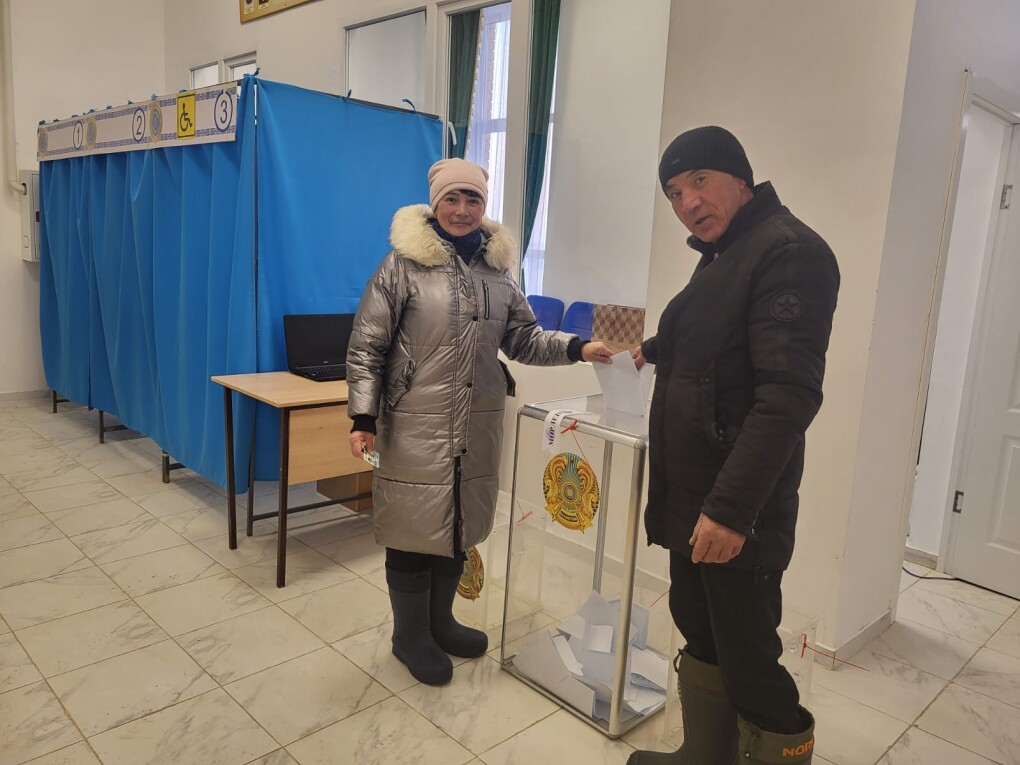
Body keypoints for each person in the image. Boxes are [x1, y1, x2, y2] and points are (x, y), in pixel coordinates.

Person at [346, 158, 613, 687]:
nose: (463, 209)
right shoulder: (401, 266)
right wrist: (363, 415)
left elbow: (524, 339)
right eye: (453, 198)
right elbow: (366, 345)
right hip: (414, 423)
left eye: (473, 199)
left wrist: (579, 347)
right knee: (412, 529)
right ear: (435, 204)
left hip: (477, 423)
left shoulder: (498, 273)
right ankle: (409, 636)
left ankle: (440, 623)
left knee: (458, 528)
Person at [627, 127, 839, 765]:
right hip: (694, 495)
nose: (687, 202)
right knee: (701, 630)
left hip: (735, 508)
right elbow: (717, 338)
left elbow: (788, 396)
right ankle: (704, 754)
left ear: (741, 179)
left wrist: (729, 511)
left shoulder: (789, 251)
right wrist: (652, 349)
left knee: (748, 659)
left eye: (699, 181)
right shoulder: (726, 251)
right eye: (673, 192)